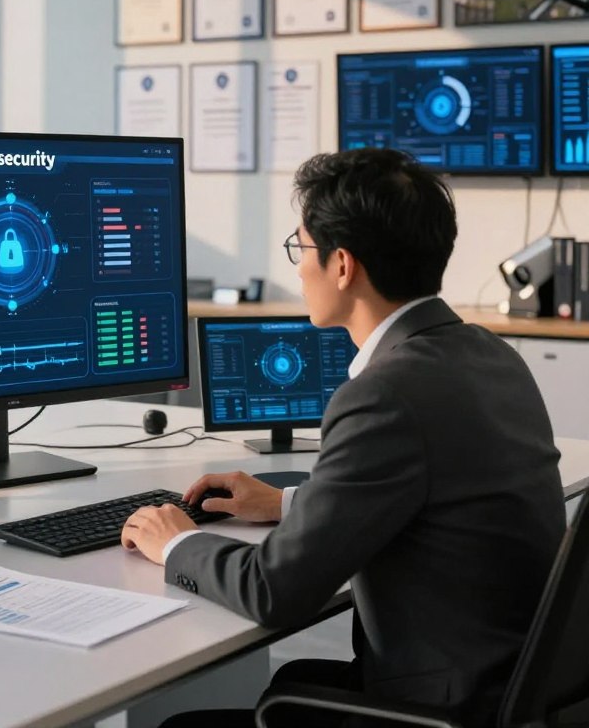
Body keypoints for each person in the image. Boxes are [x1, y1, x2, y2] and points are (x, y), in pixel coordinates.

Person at [121, 148, 565, 727]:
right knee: (292, 682)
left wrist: (175, 541)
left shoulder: (385, 394)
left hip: (443, 709)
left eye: (301, 248)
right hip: (511, 686)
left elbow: (272, 593)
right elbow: (434, 493)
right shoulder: (490, 353)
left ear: (343, 266)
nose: (297, 267)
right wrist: (285, 502)